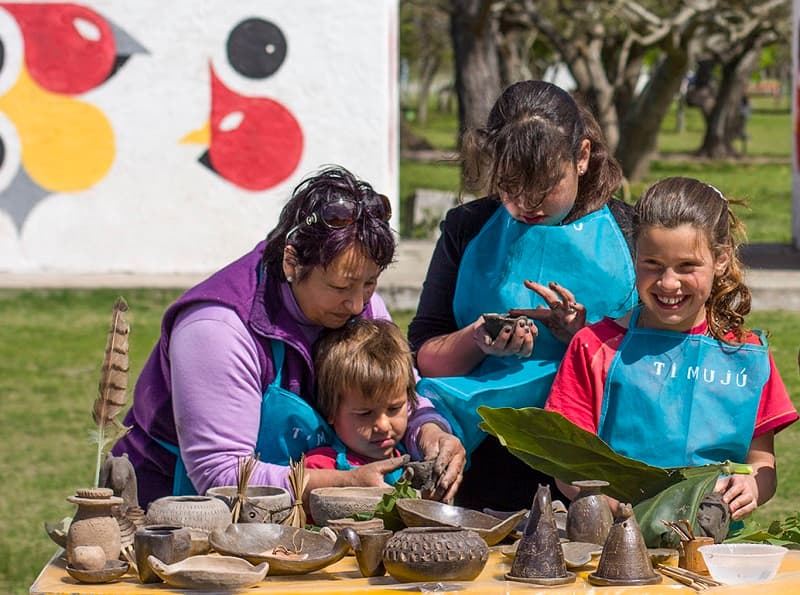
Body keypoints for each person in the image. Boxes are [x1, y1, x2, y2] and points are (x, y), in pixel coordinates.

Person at [113, 165, 466, 508]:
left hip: (286, 511)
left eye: (370, 283)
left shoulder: (361, 303)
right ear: (291, 263)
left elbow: (402, 389)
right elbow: (219, 475)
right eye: (341, 286)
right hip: (170, 510)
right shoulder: (216, 329)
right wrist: (345, 484)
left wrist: (430, 431)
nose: (359, 303)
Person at [408, 80, 638, 511]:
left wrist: (580, 337)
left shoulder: (631, 233)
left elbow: (659, 360)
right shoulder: (467, 227)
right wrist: (475, 339)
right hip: (482, 458)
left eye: (545, 185)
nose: (527, 203)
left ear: (583, 157)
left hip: (596, 458)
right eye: (511, 186)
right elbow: (424, 352)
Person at [545, 177, 798, 520]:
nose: (668, 283)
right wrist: (616, 507)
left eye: (686, 267)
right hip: (612, 544)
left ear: (720, 260)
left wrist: (752, 486)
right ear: (635, 256)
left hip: (713, 553)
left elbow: (761, 462)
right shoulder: (593, 347)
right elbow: (565, 460)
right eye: (652, 264)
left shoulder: (747, 357)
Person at [305, 318, 417, 485]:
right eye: (365, 413)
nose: (384, 426)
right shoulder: (319, 468)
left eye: (394, 408)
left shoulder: (413, 459)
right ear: (331, 411)